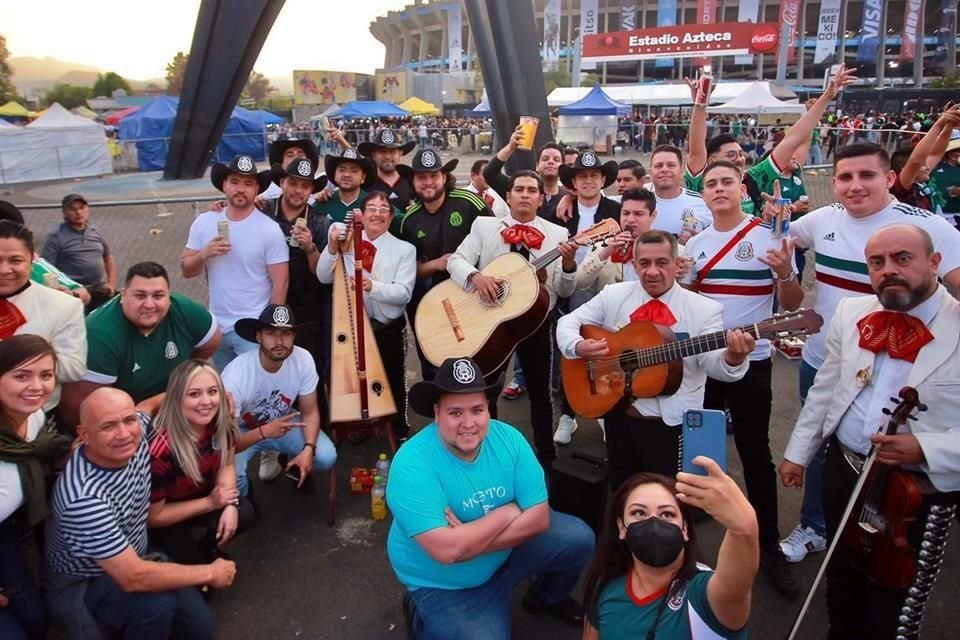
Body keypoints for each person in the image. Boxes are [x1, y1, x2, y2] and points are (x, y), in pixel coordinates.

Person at [778, 142, 960, 565]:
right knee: (830, 455)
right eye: (845, 177)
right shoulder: (821, 220)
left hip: (910, 368)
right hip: (827, 357)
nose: (855, 186)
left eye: (867, 176)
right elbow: (780, 235)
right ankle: (816, 526)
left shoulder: (930, 227)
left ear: (890, 178)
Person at [779, 225, 960, 639]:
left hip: (915, 491)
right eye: (877, 263)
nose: (888, 270)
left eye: (903, 259)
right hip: (845, 469)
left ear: (934, 263)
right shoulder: (851, 312)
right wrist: (797, 454)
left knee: (894, 607)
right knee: (840, 581)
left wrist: (927, 448)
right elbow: (826, 388)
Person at [386, 357, 594, 639]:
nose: (469, 423)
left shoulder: (509, 439)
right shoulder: (412, 464)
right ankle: (420, 613)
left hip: (500, 551)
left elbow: (539, 518)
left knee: (579, 537)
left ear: (488, 410)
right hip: (444, 581)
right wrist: (506, 513)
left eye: (477, 410)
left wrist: (469, 542)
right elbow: (446, 552)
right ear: (436, 413)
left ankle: (546, 598)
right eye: (455, 412)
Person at [682, 161, 803, 598]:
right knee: (700, 452)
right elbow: (688, 302)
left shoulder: (768, 236)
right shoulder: (695, 244)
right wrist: (682, 279)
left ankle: (768, 546)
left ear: (741, 189)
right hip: (707, 362)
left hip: (756, 361)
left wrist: (788, 273)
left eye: (726, 182)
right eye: (711, 183)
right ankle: (688, 549)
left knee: (756, 454)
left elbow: (791, 302)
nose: (718, 189)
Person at [556, 230, 755, 490]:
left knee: (670, 497)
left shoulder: (704, 309)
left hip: (670, 424)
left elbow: (713, 365)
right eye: (644, 263)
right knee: (621, 492)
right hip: (618, 412)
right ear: (634, 265)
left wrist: (734, 356)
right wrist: (578, 345)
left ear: (675, 264)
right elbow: (567, 322)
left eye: (661, 263)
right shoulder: (614, 294)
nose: (652, 271)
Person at [43, 387, 235, 640]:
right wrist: (211, 572)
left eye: (128, 420)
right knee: (156, 606)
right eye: (107, 426)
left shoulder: (138, 430)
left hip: (137, 553)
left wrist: (207, 393)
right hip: (89, 579)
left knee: (200, 630)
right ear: (84, 435)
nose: (124, 434)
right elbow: (133, 577)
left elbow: (148, 404)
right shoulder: (83, 500)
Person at [447, 170, 578, 470]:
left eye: (532, 190)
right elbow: (456, 260)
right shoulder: (484, 225)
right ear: (508, 196)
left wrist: (568, 265)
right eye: (518, 189)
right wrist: (476, 276)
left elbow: (565, 290)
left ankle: (545, 454)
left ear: (541, 198)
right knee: (487, 387)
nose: (524, 194)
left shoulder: (557, 235)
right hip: (490, 323)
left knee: (540, 391)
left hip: (535, 323)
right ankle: (486, 451)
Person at [582, 466, 758, 640]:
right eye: (639, 513)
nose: (654, 522)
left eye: (667, 514)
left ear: (685, 529)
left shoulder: (704, 597)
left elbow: (736, 585)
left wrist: (744, 526)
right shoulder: (605, 586)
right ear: (621, 527)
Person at [59, 262, 220, 429]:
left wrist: (184, 376)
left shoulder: (184, 310)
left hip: (166, 404)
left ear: (169, 297)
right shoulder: (100, 335)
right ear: (123, 295)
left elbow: (212, 340)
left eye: (158, 296)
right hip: (122, 419)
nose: (149, 304)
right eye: (140, 296)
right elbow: (75, 406)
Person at [684, 65, 858, 215]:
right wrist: (700, 103)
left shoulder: (755, 177)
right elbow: (697, 148)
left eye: (740, 154)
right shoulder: (702, 180)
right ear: (712, 160)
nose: (739, 159)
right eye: (731, 155)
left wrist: (826, 97)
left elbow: (793, 139)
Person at [317, 191, 416, 441]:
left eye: (384, 210)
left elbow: (403, 294)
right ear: (361, 214)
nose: (377, 214)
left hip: (386, 326)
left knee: (393, 379)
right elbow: (323, 276)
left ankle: (399, 428)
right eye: (372, 208)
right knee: (352, 379)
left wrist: (371, 286)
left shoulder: (404, 249)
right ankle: (358, 423)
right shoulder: (346, 241)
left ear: (391, 217)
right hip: (350, 325)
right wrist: (331, 247)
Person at [181, 154, 289, 371]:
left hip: (251, 328)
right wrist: (204, 254)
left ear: (257, 189)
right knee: (225, 394)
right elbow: (186, 270)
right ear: (224, 185)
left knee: (255, 391)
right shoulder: (204, 222)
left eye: (248, 183)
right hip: (216, 327)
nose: (241, 189)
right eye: (235, 182)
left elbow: (281, 283)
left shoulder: (268, 229)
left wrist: (268, 329)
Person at [0, 336, 73, 640]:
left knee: (36, 622)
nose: (37, 386)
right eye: (21, 376)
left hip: (7, 531)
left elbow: (38, 450)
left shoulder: (34, 417)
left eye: (46, 375)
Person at [146, 360, 254, 565]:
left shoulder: (222, 423)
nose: (206, 401)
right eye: (194, 394)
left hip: (200, 494)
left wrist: (230, 503)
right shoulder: (159, 450)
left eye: (212, 391)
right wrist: (210, 503)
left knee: (246, 512)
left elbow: (228, 465)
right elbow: (154, 517)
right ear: (176, 398)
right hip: (167, 513)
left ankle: (207, 546)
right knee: (201, 589)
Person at [221, 304, 336, 496]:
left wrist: (308, 448)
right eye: (271, 333)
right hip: (241, 432)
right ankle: (242, 504)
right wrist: (264, 432)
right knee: (231, 478)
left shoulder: (303, 359)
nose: (279, 341)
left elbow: (310, 412)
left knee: (325, 456)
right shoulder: (235, 376)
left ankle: (294, 465)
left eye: (286, 333)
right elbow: (226, 442)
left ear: (294, 336)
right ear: (258, 336)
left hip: (284, 422)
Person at [396, 149, 492, 376]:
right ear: (413, 182)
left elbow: (494, 244)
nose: (428, 182)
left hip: (475, 295)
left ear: (444, 178)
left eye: (434, 176)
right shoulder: (409, 221)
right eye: (421, 177)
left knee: (478, 361)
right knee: (434, 361)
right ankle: (435, 405)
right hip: (434, 300)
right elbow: (409, 273)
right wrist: (437, 264)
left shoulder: (470, 203)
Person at [550, 150, 622, 444]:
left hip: (608, 288)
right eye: (583, 176)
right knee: (572, 352)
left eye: (594, 175)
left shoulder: (617, 210)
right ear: (574, 182)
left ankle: (605, 412)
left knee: (609, 350)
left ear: (603, 179)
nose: (589, 181)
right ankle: (568, 414)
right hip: (570, 288)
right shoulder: (560, 209)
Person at [0, 220, 86, 411]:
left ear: (32, 261)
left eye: (15, 260)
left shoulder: (63, 305)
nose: (4, 270)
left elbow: (73, 367)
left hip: (37, 417)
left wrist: (14, 366)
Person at [263, 157, 331, 374]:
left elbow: (321, 273)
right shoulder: (264, 212)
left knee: (310, 367)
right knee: (272, 366)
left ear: (311, 189)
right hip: (266, 300)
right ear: (282, 183)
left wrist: (310, 248)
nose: (298, 191)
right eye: (293, 183)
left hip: (308, 306)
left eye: (305, 186)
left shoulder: (319, 221)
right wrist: (221, 206)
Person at [0, 201, 89, 306]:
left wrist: (69, 296)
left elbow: (84, 294)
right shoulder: (55, 237)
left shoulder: (37, 267)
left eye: (15, 260)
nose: (4, 270)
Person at [41, 193, 117, 312]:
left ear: (88, 209)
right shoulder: (55, 236)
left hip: (99, 289)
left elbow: (108, 257)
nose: (78, 212)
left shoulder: (94, 231)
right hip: (74, 293)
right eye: (73, 209)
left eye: (82, 208)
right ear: (65, 213)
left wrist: (111, 283)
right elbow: (46, 268)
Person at [482, 129, 568, 220]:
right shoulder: (519, 188)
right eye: (545, 159)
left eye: (556, 160)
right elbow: (490, 173)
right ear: (537, 166)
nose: (551, 162)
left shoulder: (570, 197)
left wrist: (569, 198)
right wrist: (511, 147)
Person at [648, 145, 713, 240]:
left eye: (671, 165)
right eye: (658, 166)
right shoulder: (639, 203)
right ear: (650, 173)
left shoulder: (702, 203)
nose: (664, 169)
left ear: (682, 171)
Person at [313, 147, 377, 224]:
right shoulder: (322, 203)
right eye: (342, 170)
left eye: (354, 171)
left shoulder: (373, 203)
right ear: (335, 175)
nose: (347, 175)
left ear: (363, 177)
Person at [358, 128, 416, 211]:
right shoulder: (364, 183)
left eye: (392, 152)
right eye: (382, 152)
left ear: (400, 154)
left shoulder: (411, 182)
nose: (387, 156)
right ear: (373, 155)